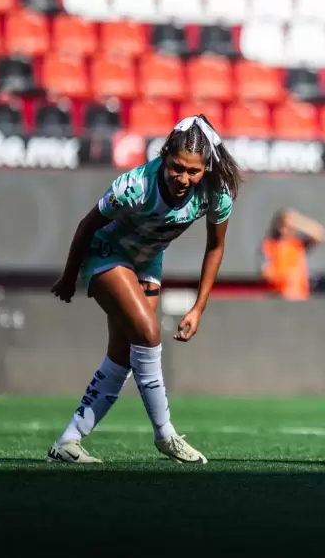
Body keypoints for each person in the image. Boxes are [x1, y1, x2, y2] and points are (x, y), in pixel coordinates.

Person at [46, 115, 242, 464]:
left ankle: (68, 441)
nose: (183, 178)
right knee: (149, 333)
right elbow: (88, 224)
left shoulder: (216, 192)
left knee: (122, 356)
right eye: (176, 167)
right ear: (164, 157)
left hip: (148, 264)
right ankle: (165, 434)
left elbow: (215, 247)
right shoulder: (134, 186)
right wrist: (69, 275)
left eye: (193, 172)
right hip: (107, 253)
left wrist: (199, 307)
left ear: (206, 167)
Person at [259, 208, 325, 300]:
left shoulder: (297, 244)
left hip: (300, 297)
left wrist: (298, 221)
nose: (286, 229)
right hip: (278, 298)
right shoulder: (268, 245)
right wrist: (286, 277)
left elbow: (320, 234)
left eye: (289, 226)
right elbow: (265, 273)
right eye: (283, 225)